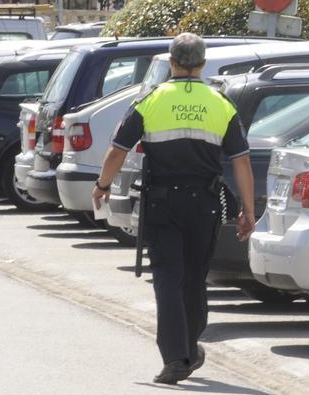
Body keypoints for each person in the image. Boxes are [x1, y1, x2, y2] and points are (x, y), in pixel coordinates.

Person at [92, 33, 256, 385]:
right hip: (205, 205)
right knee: (195, 279)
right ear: (201, 64)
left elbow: (117, 150)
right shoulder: (220, 103)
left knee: (167, 279)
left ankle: (175, 359)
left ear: (171, 63)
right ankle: (190, 346)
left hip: (162, 204)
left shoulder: (151, 100)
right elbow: (241, 161)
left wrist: (102, 186)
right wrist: (248, 209)